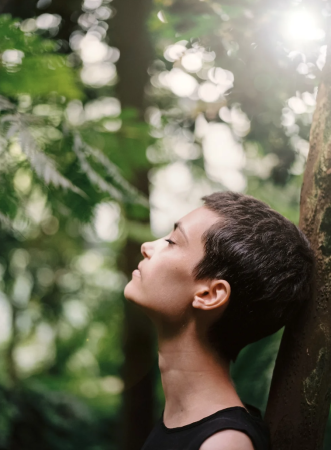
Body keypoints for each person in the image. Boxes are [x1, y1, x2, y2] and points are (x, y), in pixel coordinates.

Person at [124, 191, 315, 450]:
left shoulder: (223, 444)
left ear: (210, 294)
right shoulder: (185, 424)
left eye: (171, 241)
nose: (147, 247)